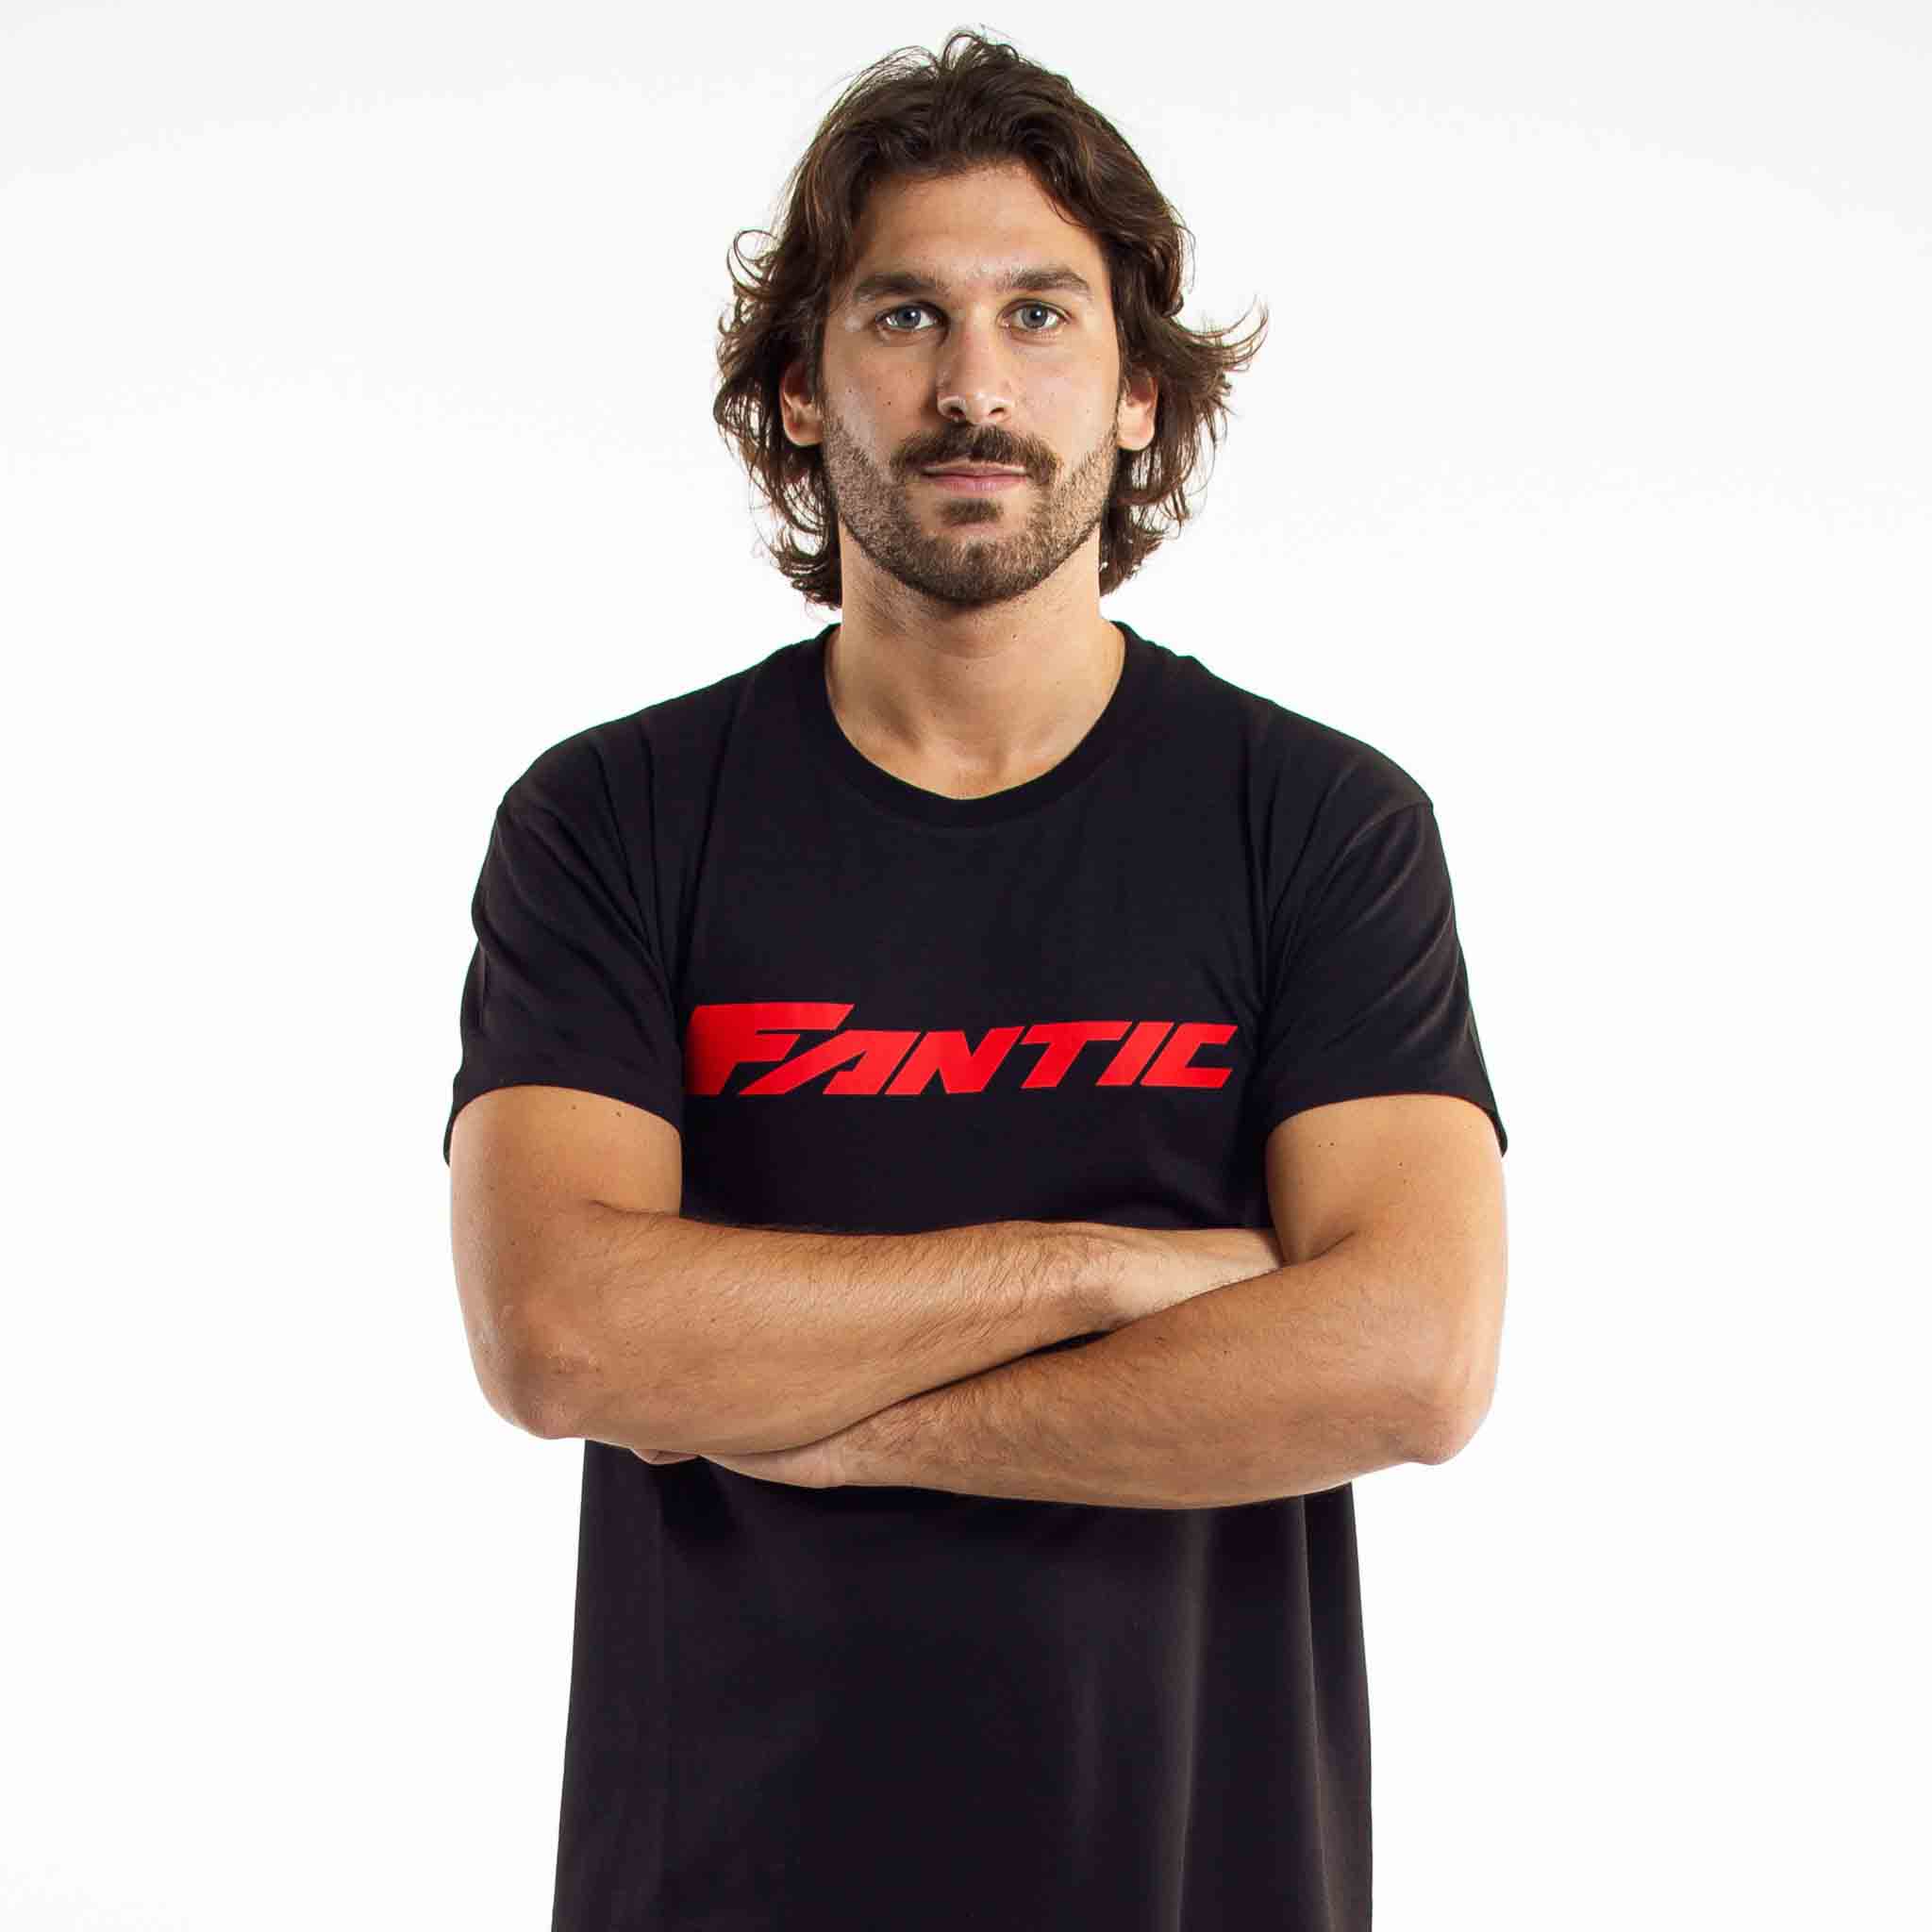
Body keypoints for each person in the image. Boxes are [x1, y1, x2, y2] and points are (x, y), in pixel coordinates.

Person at [442, 28, 1508, 1932]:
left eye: (1038, 314)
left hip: (1202, 1881)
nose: (972, 387)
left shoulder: (1315, 825)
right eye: (902, 316)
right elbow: (565, 1333)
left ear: (1138, 395)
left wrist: (836, 1422)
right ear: (796, 390)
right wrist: (1103, 1270)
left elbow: (1410, 1357)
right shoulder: (616, 821)